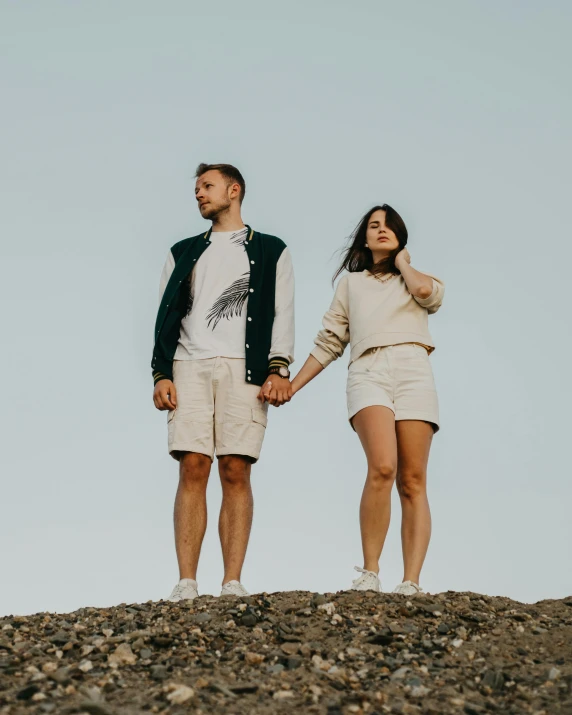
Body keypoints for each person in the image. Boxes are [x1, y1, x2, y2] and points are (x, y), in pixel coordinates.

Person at [152, 163, 294, 601]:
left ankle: (232, 581)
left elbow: (282, 310)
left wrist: (279, 367)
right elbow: (165, 314)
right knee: (192, 465)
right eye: (196, 188)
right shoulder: (182, 250)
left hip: (245, 370)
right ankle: (186, 582)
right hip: (188, 366)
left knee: (236, 469)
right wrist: (161, 372)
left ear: (234, 191)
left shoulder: (272, 249)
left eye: (207, 187)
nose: (199, 194)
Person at [290, 204, 444, 595]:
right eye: (374, 225)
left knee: (413, 480)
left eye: (389, 225)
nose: (382, 230)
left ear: (401, 235)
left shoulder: (417, 279)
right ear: (364, 237)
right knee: (383, 467)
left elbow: (426, 293)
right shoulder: (351, 284)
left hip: (413, 368)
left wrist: (404, 262)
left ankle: (411, 581)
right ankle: (370, 572)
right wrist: (292, 386)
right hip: (368, 369)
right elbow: (329, 342)